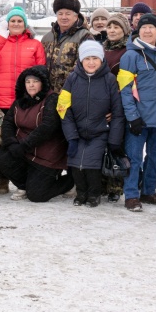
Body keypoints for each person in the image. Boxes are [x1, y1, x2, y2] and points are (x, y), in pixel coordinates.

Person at [0, 6, 45, 194]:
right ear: (7, 24)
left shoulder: (35, 44)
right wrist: (0, 38)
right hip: (2, 101)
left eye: (19, 21)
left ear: (25, 24)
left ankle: (25, 179)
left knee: (24, 141)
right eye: (12, 21)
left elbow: (41, 71)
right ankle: (4, 179)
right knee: (3, 142)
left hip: (26, 102)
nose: (16, 24)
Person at [59, 41, 125, 206]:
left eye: (95, 58)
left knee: (92, 165)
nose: (91, 62)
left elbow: (117, 112)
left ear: (101, 60)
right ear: (81, 60)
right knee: (76, 164)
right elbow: (63, 108)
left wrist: (115, 139)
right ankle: (81, 193)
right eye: (87, 58)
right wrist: (71, 136)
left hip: (100, 131)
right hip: (77, 131)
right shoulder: (72, 79)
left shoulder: (109, 79)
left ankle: (94, 195)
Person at [116, 14, 156, 211]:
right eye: (144, 27)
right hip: (139, 118)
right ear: (138, 31)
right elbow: (125, 88)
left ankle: (148, 191)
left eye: (151, 27)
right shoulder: (130, 56)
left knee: (155, 158)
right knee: (134, 158)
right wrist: (132, 116)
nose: (147, 31)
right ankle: (131, 195)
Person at [0, 66, 67, 202]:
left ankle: (69, 182)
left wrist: (23, 145)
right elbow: (8, 122)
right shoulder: (20, 101)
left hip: (46, 155)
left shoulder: (51, 99)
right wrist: (11, 143)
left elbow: (47, 127)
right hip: (24, 150)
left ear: (43, 83)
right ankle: (23, 185)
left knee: (37, 196)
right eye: (28, 82)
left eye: (35, 81)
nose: (31, 85)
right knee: (1, 156)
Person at [41, 0, 91, 93]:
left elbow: (84, 65)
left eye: (68, 14)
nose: (64, 17)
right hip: (48, 94)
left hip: (72, 92)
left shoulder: (84, 36)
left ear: (76, 16)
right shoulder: (47, 37)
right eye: (60, 14)